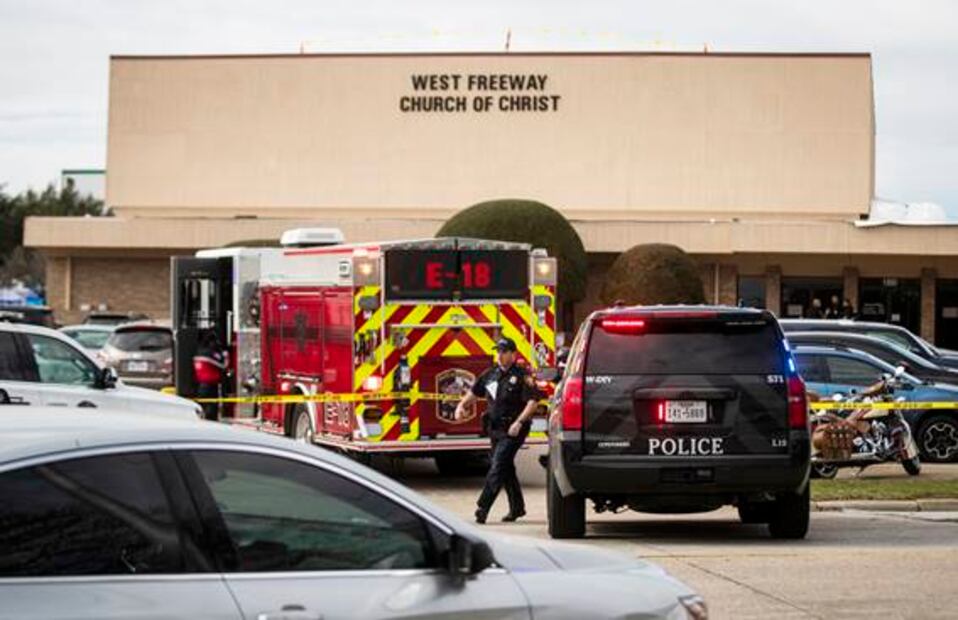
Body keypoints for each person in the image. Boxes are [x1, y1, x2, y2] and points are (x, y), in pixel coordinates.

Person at [454, 337, 540, 524]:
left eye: (503, 352)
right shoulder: (490, 374)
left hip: (514, 429)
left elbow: (533, 402)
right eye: (498, 352)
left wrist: (519, 422)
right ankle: (517, 508)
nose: (499, 355)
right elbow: (474, 392)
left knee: (498, 465)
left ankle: (483, 507)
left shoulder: (522, 375)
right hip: (495, 429)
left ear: (513, 354)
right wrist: (461, 406)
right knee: (506, 468)